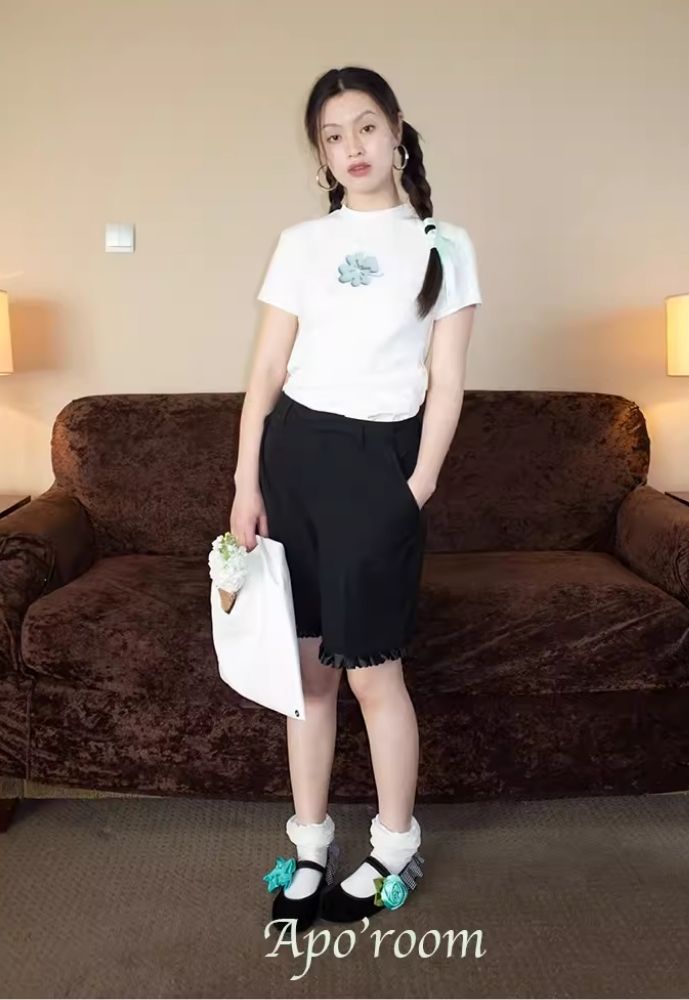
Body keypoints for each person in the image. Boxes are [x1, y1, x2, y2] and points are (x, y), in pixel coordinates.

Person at [231, 66, 482, 931]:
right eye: (333, 136)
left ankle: (394, 845)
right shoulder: (301, 243)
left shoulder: (447, 244)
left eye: (366, 127)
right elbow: (268, 369)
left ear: (398, 130)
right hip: (295, 458)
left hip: (382, 467)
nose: (353, 148)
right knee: (307, 677)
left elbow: (446, 382)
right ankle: (310, 845)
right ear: (321, 154)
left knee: (374, 673)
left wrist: (417, 486)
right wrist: (246, 482)